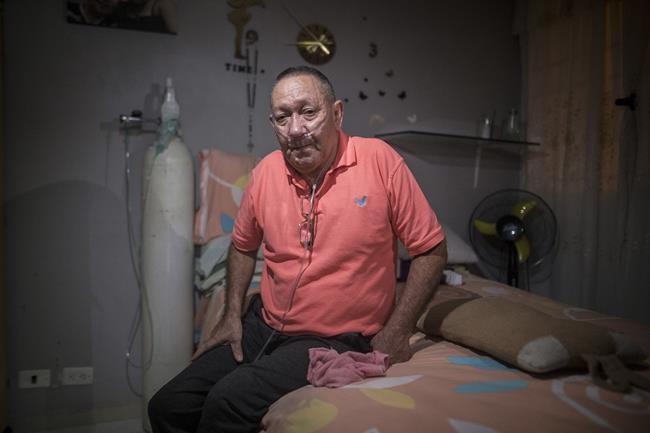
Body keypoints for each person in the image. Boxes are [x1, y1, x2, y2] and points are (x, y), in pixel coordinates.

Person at [148, 66, 447, 433]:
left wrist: (398, 330)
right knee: (168, 405)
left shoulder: (379, 161)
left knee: (227, 401)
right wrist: (230, 314)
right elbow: (242, 246)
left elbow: (431, 248)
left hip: (335, 339)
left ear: (337, 113)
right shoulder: (265, 172)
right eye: (282, 118)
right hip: (263, 326)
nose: (295, 129)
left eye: (308, 112)